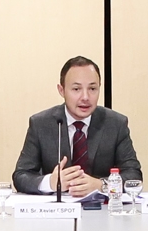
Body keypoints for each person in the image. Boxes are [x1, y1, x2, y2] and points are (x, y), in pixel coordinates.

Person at [12, 56, 141, 198]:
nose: (85, 97)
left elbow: (133, 175)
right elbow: (21, 176)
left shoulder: (115, 124)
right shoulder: (41, 124)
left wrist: (101, 185)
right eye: (76, 89)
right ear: (61, 90)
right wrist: (50, 182)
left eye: (92, 88)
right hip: (57, 214)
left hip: (102, 212)